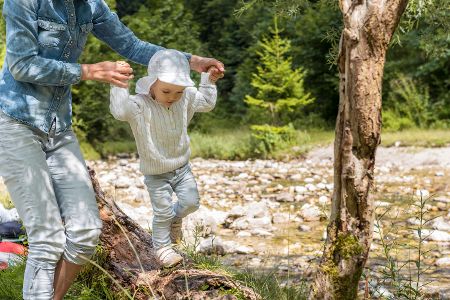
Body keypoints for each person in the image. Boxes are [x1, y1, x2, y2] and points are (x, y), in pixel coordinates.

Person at [0, 0, 224, 299]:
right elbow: (22, 65)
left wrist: (192, 62)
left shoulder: (92, 7)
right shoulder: (24, 2)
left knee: (85, 234)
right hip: (15, 122)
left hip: (58, 127)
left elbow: (132, 46)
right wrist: (89, 70)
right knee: (48, 237)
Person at [110, 49, 220, 268]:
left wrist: (208, 79)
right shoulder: (139, 105)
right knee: (161, 212)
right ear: (152, 84)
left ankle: (175, 219)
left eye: (178, 92)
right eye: (166, 91)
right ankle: (162, 249)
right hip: (156, 173)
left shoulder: (185, 97)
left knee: (191, 203)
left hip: (182, 167)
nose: (172, 97)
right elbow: (120, 111)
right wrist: (119, 82)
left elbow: (206, 102)